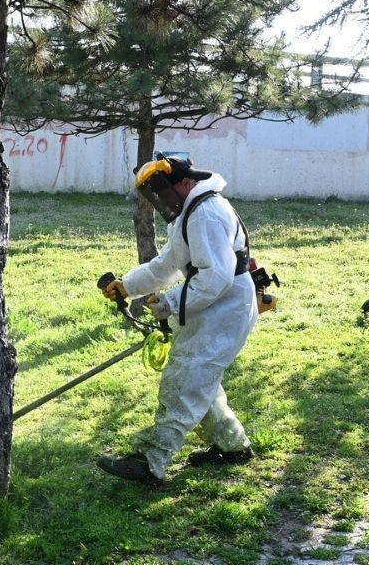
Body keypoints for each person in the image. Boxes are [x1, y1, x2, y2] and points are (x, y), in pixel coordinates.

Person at [97, 156, 257, 486]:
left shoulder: (206, 214)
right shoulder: (190, 213)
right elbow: (167, 265)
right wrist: (128, 285)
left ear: (184, 183)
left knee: (185, 379)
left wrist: (169, 302)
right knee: (200, 381)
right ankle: (233, 445)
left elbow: (215, 277)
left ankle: (152, 461)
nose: (161, 201)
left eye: (163, 192)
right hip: (215, 307)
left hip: (225, 309)